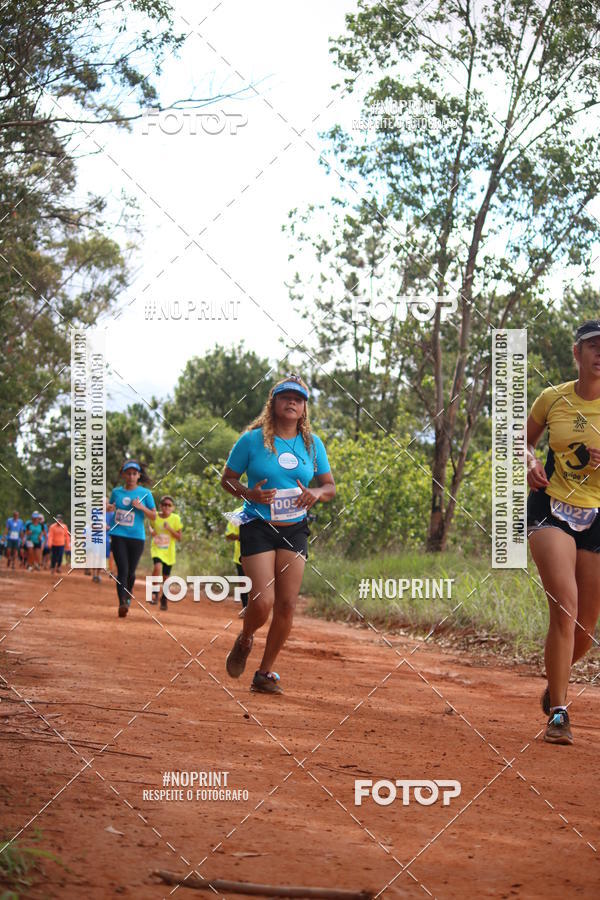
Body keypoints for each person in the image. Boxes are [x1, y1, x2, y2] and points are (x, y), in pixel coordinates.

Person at [221, 374, 335, 694]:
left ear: (303, 409)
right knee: (263, 600)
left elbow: (329, 486)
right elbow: (227, 479)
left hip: (295, 529)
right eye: (285, 397)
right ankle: (245, 639)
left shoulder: (313, 445)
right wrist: (248, 493)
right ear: (274, 403)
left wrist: (315, 493)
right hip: (258, 524)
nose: (291, 402)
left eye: (298, 399)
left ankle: (264, 673)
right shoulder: (252, 440)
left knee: (286, 605)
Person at [527, 320, 600, 746]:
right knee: (565, 609)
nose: (599, 353)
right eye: (592, 345)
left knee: (586, 629)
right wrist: (530, 463)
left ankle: (555, 685)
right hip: (550, 508)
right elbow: (522, 440)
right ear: (577, 353)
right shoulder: (552, 398)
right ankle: (559, 712)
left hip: (597, 513)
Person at [107, 460, 156, 617]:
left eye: (134, 474)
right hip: (118, 534)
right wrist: (109, 508)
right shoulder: (116, 492)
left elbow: (154, 515)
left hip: (136, 537)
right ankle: (122, 602)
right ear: (123, 475)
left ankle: (128, 594)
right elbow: (110, 508)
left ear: (139, 476)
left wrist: (141, 507)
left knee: (131, 573)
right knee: (122, 570)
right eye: (128, 473)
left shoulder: (145, 493)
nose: (131, 476)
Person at [148, 495, 182, 611]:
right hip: (157, 548)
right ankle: (155, 592)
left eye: (169, 505)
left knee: (166, 577)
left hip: (169, 551)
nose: (166, 507)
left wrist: (169, 529)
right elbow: (150, 526)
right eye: (164, 504)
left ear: (172, 508)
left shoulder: (176, 519)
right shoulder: (155, 516)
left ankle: (164, 598)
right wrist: (152, 532)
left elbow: (179, 537)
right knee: (157, 567)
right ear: (160, 506)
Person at [225, 507, 250, 609]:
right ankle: (245, 607)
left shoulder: (265, 510)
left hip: (262, 553)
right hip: (241, 554)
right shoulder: (238, 513)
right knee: (244, 583)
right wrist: (242, 537)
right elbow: (229, 534)